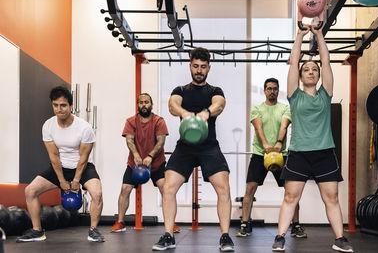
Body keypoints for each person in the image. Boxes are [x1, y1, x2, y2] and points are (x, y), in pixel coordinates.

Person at [272, 26, 353, 252]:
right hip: (298, 154)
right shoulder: (294, 96)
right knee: (290, 197)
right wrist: (299, 35)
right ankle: (280, 237)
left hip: (325, 153)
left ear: (318, 76)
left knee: (332, 198)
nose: (310, 71)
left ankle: (340, 239)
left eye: (314, 69)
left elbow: (326, 62)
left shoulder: (326, 94)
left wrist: (318, 35)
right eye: (306, 69)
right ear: (300, 75)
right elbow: (294, 61)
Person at [152, 47, 234, 252]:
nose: (199, 70)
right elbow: (172, 105)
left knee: (223, 188)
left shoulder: (215, 91)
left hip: (209, 146)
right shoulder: (180, 90)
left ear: (209, 68)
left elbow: (220, 104)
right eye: (196, 66)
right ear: (190, 66)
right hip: (185, 147)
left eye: (203, 67)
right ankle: (169, 235)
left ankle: (225, 236)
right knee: (168, 188)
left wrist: (206, 113)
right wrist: (185, 113)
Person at [17, 86, 104, 243]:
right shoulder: (48, 126)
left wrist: (76, 180)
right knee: (30, 191)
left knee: (97, 194)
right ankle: (37, 231)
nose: (59, 109)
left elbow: (84, 157)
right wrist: (62, 180)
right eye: (55, 105)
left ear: (71, 106)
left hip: (82, 167)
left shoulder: (84, 128)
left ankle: (93, 231)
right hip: (60, 167)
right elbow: (54, 156)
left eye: (63, 105)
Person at [236, 78, 306, 239]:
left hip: (281, 155)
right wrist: (267, 145)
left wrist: (278, 143)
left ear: (278, 90)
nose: (272, 91)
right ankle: (245, 224)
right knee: (249, 189)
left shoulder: (285, 108)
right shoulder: (257, 109)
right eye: (269, 88)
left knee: (291, 191)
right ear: (265, 90)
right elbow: (258, 128)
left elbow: (284, 125)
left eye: (275, 89)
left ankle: (296, 226)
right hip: (260, 154)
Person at [110, 93, 180, 233]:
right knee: (125, 189)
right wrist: (136, 155)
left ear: (151, 105)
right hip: (135, 163)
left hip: (156, 163)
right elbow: (129, 139)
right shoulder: (131, 121)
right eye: (141, 102)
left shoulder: (159, 121)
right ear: (138, 105)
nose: (144, 105)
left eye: (146, 102)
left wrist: (150, 156)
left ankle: (171, 224)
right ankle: (120, 222)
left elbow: (161, 141)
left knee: (166, 190)